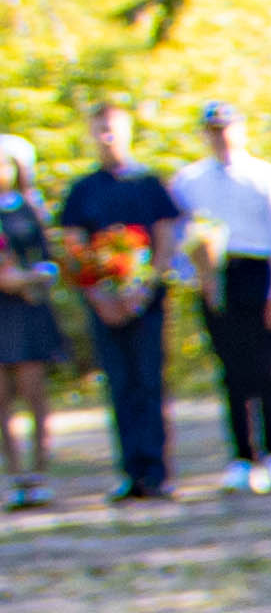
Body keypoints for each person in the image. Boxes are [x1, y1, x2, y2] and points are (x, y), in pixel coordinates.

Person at [172, 102, 271, 493]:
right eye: (213, 129)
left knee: (265, 368)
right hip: (216, 277)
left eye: (227, 127)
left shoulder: (265, 176)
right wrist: (194, 274)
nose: (221, 135)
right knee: (230, 369)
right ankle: (241, 456)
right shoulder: (189, 180)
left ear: (242, 129)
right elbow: (179, 238)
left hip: (258, 272)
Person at [61, 103, 179, 502]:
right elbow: (74, 245)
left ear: (128, 132)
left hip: (146, 301)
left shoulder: (149, 184)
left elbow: (165, 238)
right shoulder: (84, 189)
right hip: (104, 303)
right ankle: (130, 472)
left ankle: (157, 472)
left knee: (149, 382)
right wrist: (98, 294)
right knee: (120, 384)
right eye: (100, 130)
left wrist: (144, 287)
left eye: (113, 129)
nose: (107, 137)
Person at [0, 135, 63, 508]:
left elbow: (50, 258)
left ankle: (40, 471)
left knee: (34, 390)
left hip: (30, 310)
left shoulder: (30, 208)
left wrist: (33, 278)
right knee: (2, 398)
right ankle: (14, 473)